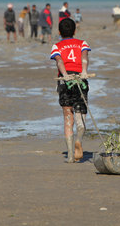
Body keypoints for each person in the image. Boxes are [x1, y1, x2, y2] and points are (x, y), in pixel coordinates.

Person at [50, 18, 91, 163]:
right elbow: (84, 56)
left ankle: (70, 155)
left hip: (65, 82)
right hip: (80, 79)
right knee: (81, 116)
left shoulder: (57, 46)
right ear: (74, 31)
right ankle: (79, 139)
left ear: (59, 32)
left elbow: (59, 61)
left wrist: (65, 75)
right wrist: (84, 71)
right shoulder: (82, 43)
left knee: (68, 117)